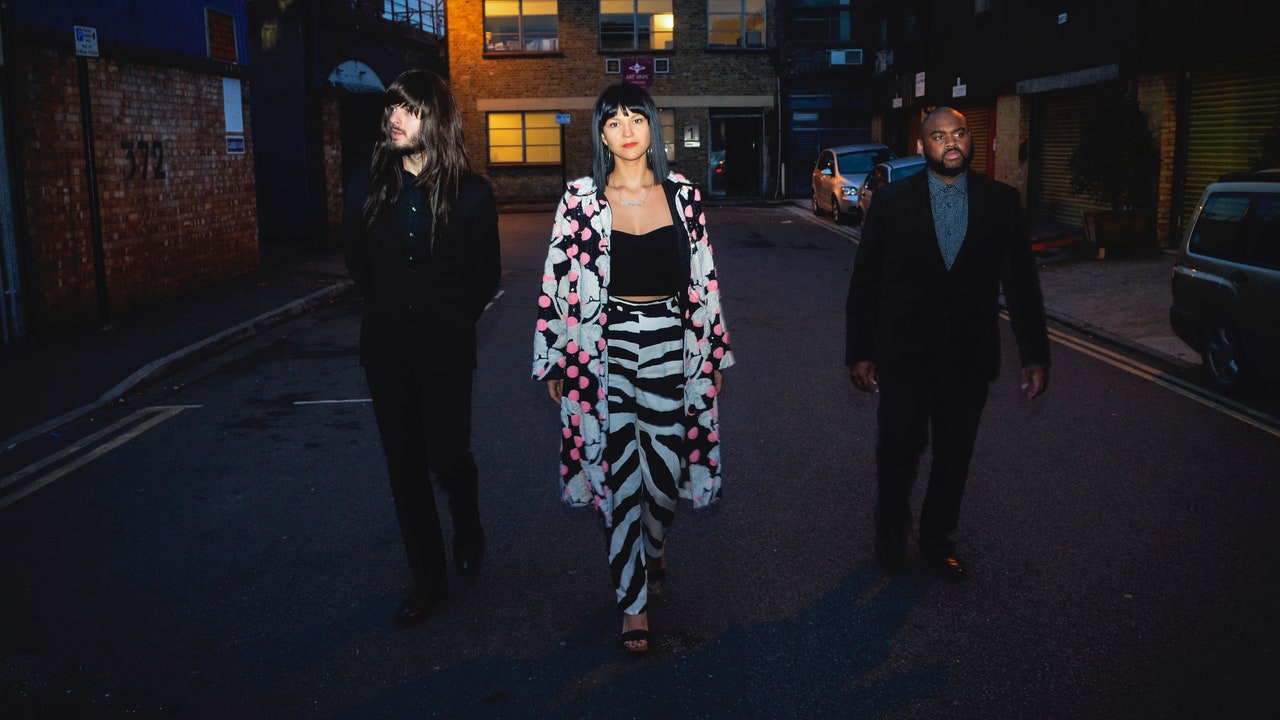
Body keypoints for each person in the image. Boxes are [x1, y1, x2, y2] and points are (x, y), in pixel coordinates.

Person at [532, 83, 734, 653]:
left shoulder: (683, 195)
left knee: (664, 476)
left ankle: (654, 542)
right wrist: (555, 357)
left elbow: (704, 275)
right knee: (619, 473)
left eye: (636, 119)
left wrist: (712, 351)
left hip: (672, 340)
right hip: (604, 349)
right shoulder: (579, 200)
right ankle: (633, 604)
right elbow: (556, 280)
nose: (626, 130)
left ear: (652, 127)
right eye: (614, 121)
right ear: (601, 133)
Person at [845, 106, 1050, 582]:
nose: (950, 143)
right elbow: (866, 282)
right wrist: (861, 351)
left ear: (970, 139)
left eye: (958, 133)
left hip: (969, 357)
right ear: (922, 146)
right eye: (938, 136)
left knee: (954, 455)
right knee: (899, 449)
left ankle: (938, 540)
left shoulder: (1001, 202)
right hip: (905, 355)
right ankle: (890, 533)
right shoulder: (891, 202)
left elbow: (1021, 283)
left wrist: (1034, 354)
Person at [342, 68, 501, 626]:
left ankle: (467, 515)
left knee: (447, 455)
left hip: (446, 350)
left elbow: (485, 275)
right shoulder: (364, 184)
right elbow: (358, 263)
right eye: (391, 107)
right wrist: (394, 308)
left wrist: (448, 319)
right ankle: (428, 578)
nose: (395, 118)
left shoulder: (473, 194)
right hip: (385, 350)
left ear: (436, 119)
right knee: (404, 467)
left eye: (409, 109)